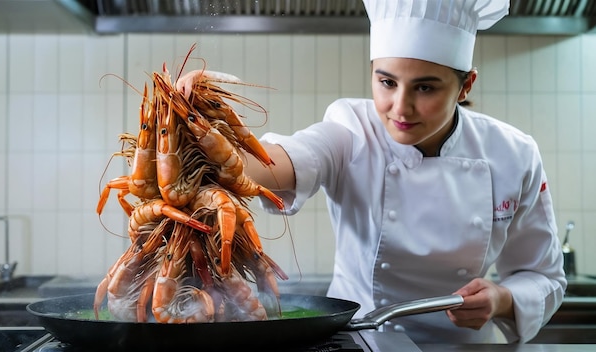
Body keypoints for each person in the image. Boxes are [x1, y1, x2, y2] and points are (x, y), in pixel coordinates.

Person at [176, 0, 567, 344]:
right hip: (362, 337)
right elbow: (282, 162)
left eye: (425, 88)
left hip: (462, 344)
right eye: (387, 82)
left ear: (466, 86)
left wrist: (502, 300)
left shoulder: (514, 154)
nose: (400, 107)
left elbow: (544, 276)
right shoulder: (351, 127)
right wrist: (204, 137)